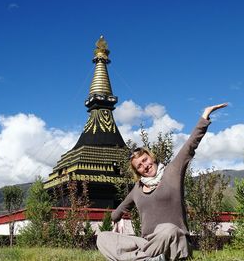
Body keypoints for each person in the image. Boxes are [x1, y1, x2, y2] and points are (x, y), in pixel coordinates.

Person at [97, 103, 228, 261]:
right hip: (147, 244)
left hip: (175, 241)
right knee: (103, 238)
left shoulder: (172, 172)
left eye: (145, 160)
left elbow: (189, 146)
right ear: (137, 171)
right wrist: (114, 219)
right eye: (139, 166)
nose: (145, 166)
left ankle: (143, 258)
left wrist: (205, 116)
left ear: (151, 157)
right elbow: (120, 209)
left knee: (168, 229)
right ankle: (151, 259)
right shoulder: (137, 190)